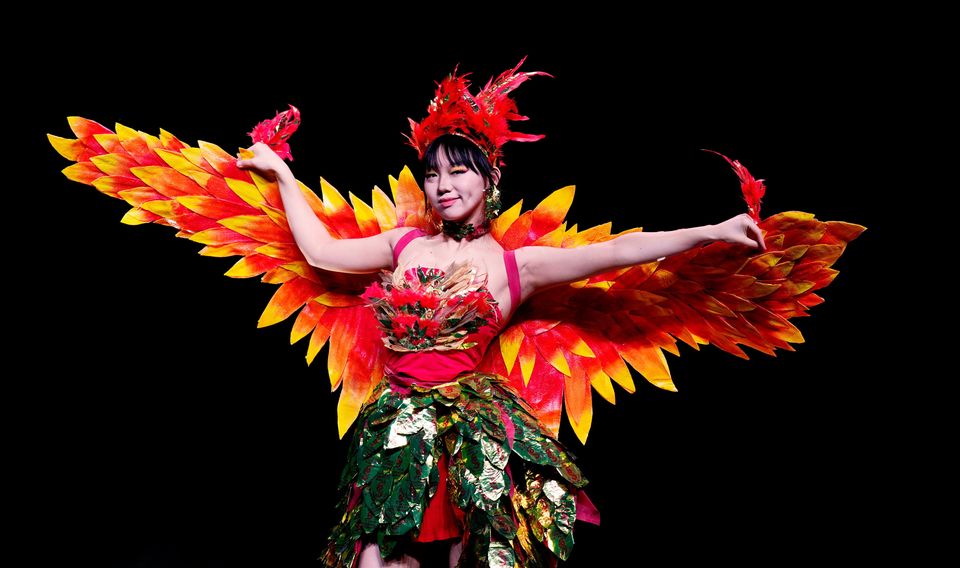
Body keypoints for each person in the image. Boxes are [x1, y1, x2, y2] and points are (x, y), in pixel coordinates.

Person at [234, 61, 766, 568]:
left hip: (468, 427)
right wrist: (281, 171)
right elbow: (323, 254)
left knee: (481, 554)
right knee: (376, 556)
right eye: (432, 174)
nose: (443, 186)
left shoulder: (516, 266)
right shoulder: (404, 245)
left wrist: (711, 231)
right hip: (394, 426)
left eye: (458, 171)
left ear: (487, 179)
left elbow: (619, 251)